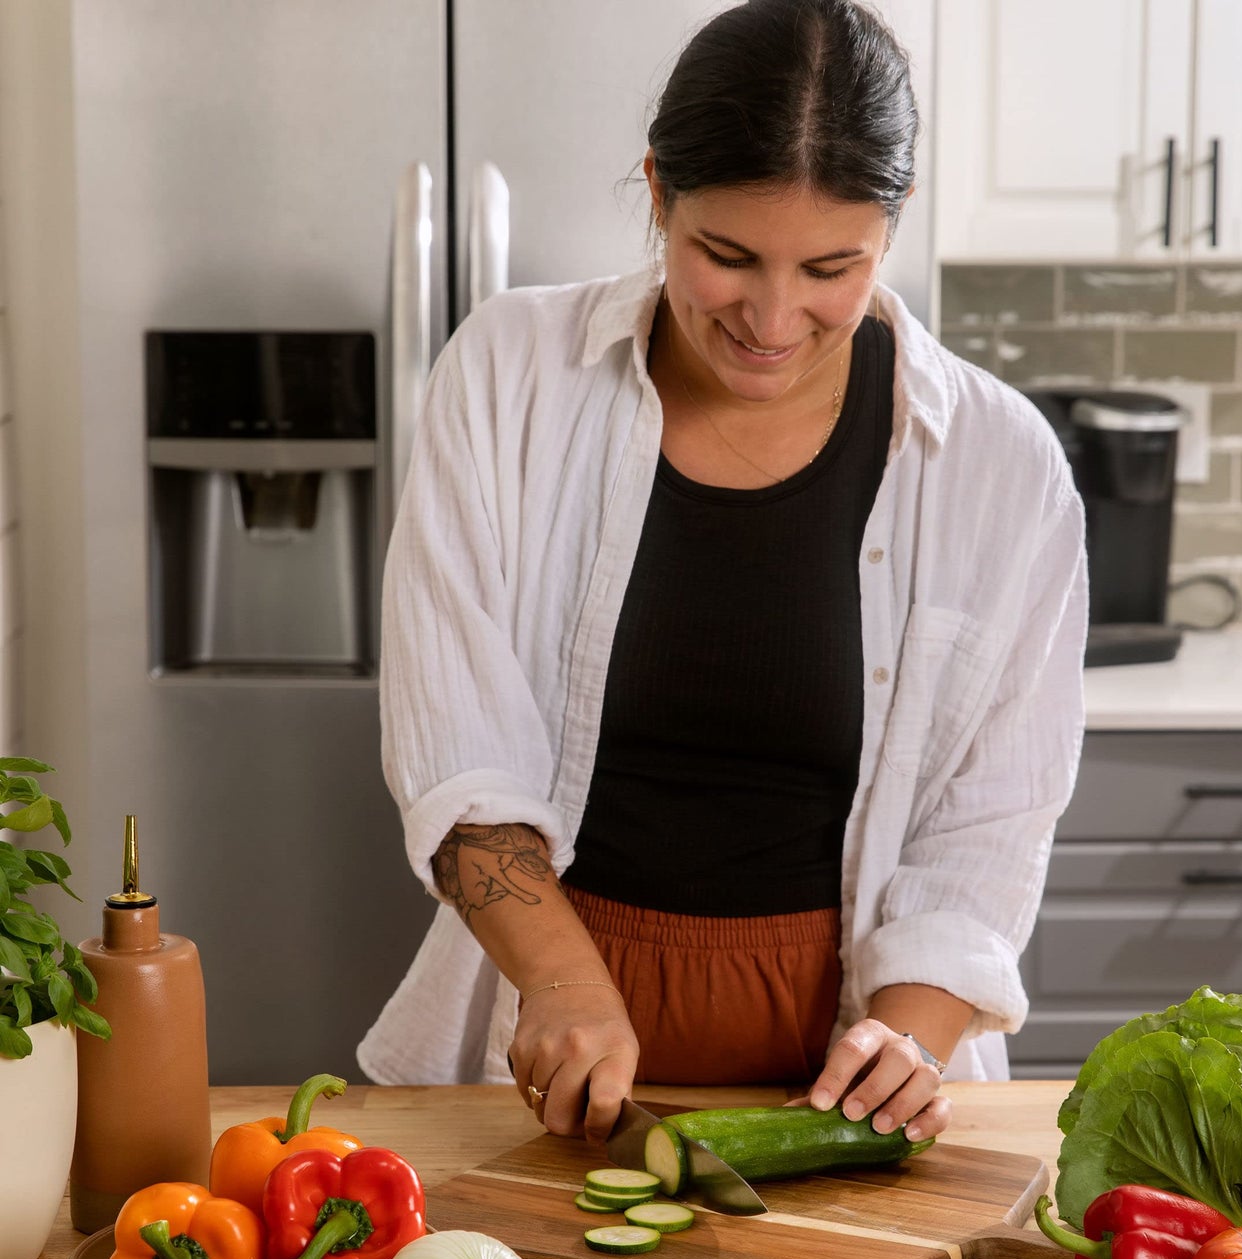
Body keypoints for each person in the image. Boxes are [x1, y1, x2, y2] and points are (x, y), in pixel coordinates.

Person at [359, 0, 1087, 1148]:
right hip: (535, 1045)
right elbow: (458, 749)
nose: (771, 316)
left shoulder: (999, 466)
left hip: (845, 1087)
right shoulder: (506, 376)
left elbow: (989, 821)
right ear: (656, 193)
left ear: (887, 236)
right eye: (726, 256)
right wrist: (558, 982)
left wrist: (903, 1039)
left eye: (829, 267)